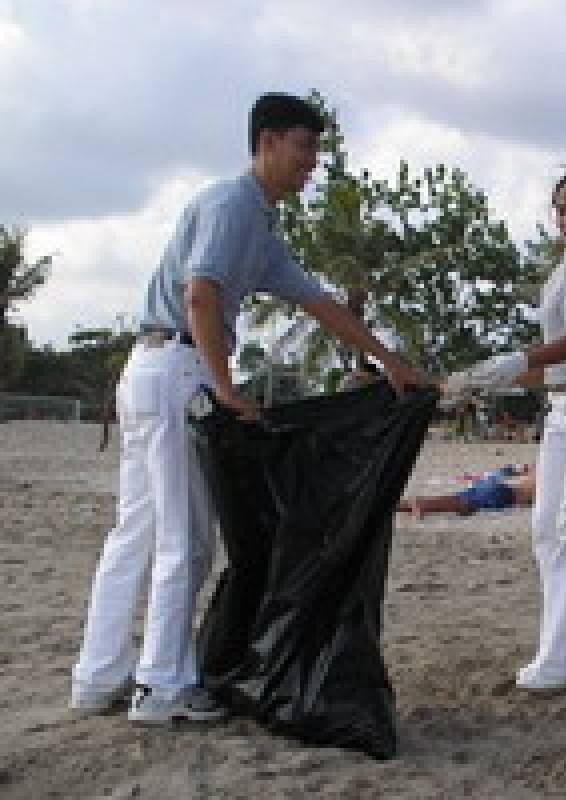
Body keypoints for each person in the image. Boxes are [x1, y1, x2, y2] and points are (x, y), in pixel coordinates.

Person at [70, 93, 427, 725]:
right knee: (186, 540)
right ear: (266, 142)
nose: (312, 162)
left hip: (152, 369)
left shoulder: (258, 224)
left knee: (137, 533)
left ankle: (98, 679)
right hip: (178, 369)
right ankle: (162, 689)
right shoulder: (232, 206)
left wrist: (388, 360)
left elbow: (320, 302)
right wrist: (224, 385)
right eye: (303, 146)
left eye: (316, 149)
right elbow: (202, 294)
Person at [443, 167, 566, 691]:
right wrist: (486, 380)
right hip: (561, 405)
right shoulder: (560, 273)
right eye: (561, 210)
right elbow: (552, 362)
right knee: (545, 529)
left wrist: (514, 360)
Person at [397, 468, 566, 519]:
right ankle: (419, 504)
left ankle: (404, 505)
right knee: (458, 503)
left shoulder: (558, 473)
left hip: (502, 489)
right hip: (503, 494)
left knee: (461, 504)